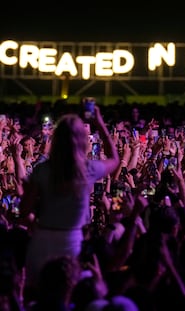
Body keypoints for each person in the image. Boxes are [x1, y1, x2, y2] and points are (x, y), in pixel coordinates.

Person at [18, 104, 120, 292]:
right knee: (67, 293)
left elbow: (24, 211)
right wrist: (99, 122)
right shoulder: (89, 170)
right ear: (82, 141)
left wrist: (34, 217)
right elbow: (115, 159)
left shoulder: (41, 170)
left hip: (42, 241)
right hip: (71, 243)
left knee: (37, 294)